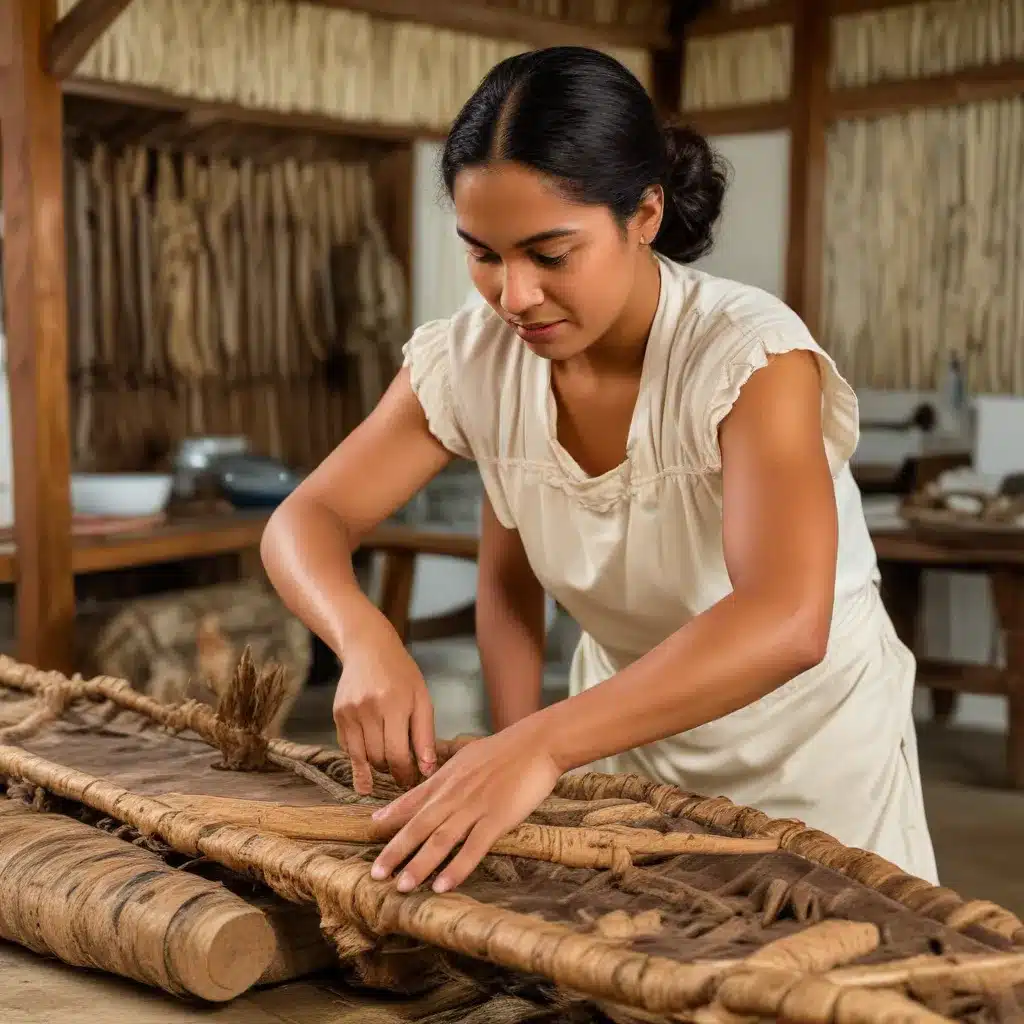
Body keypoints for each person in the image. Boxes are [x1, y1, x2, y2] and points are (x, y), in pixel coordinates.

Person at [260, 45, 938, 897]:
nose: (513, 297)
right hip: (616, 736)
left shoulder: (746, 355)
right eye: (483, 253)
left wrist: (537, 748)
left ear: (644, 214)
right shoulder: (475, 358)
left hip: (808, 747)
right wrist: (368, 641)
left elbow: (785, 620)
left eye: (550, 254)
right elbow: (315, 524)